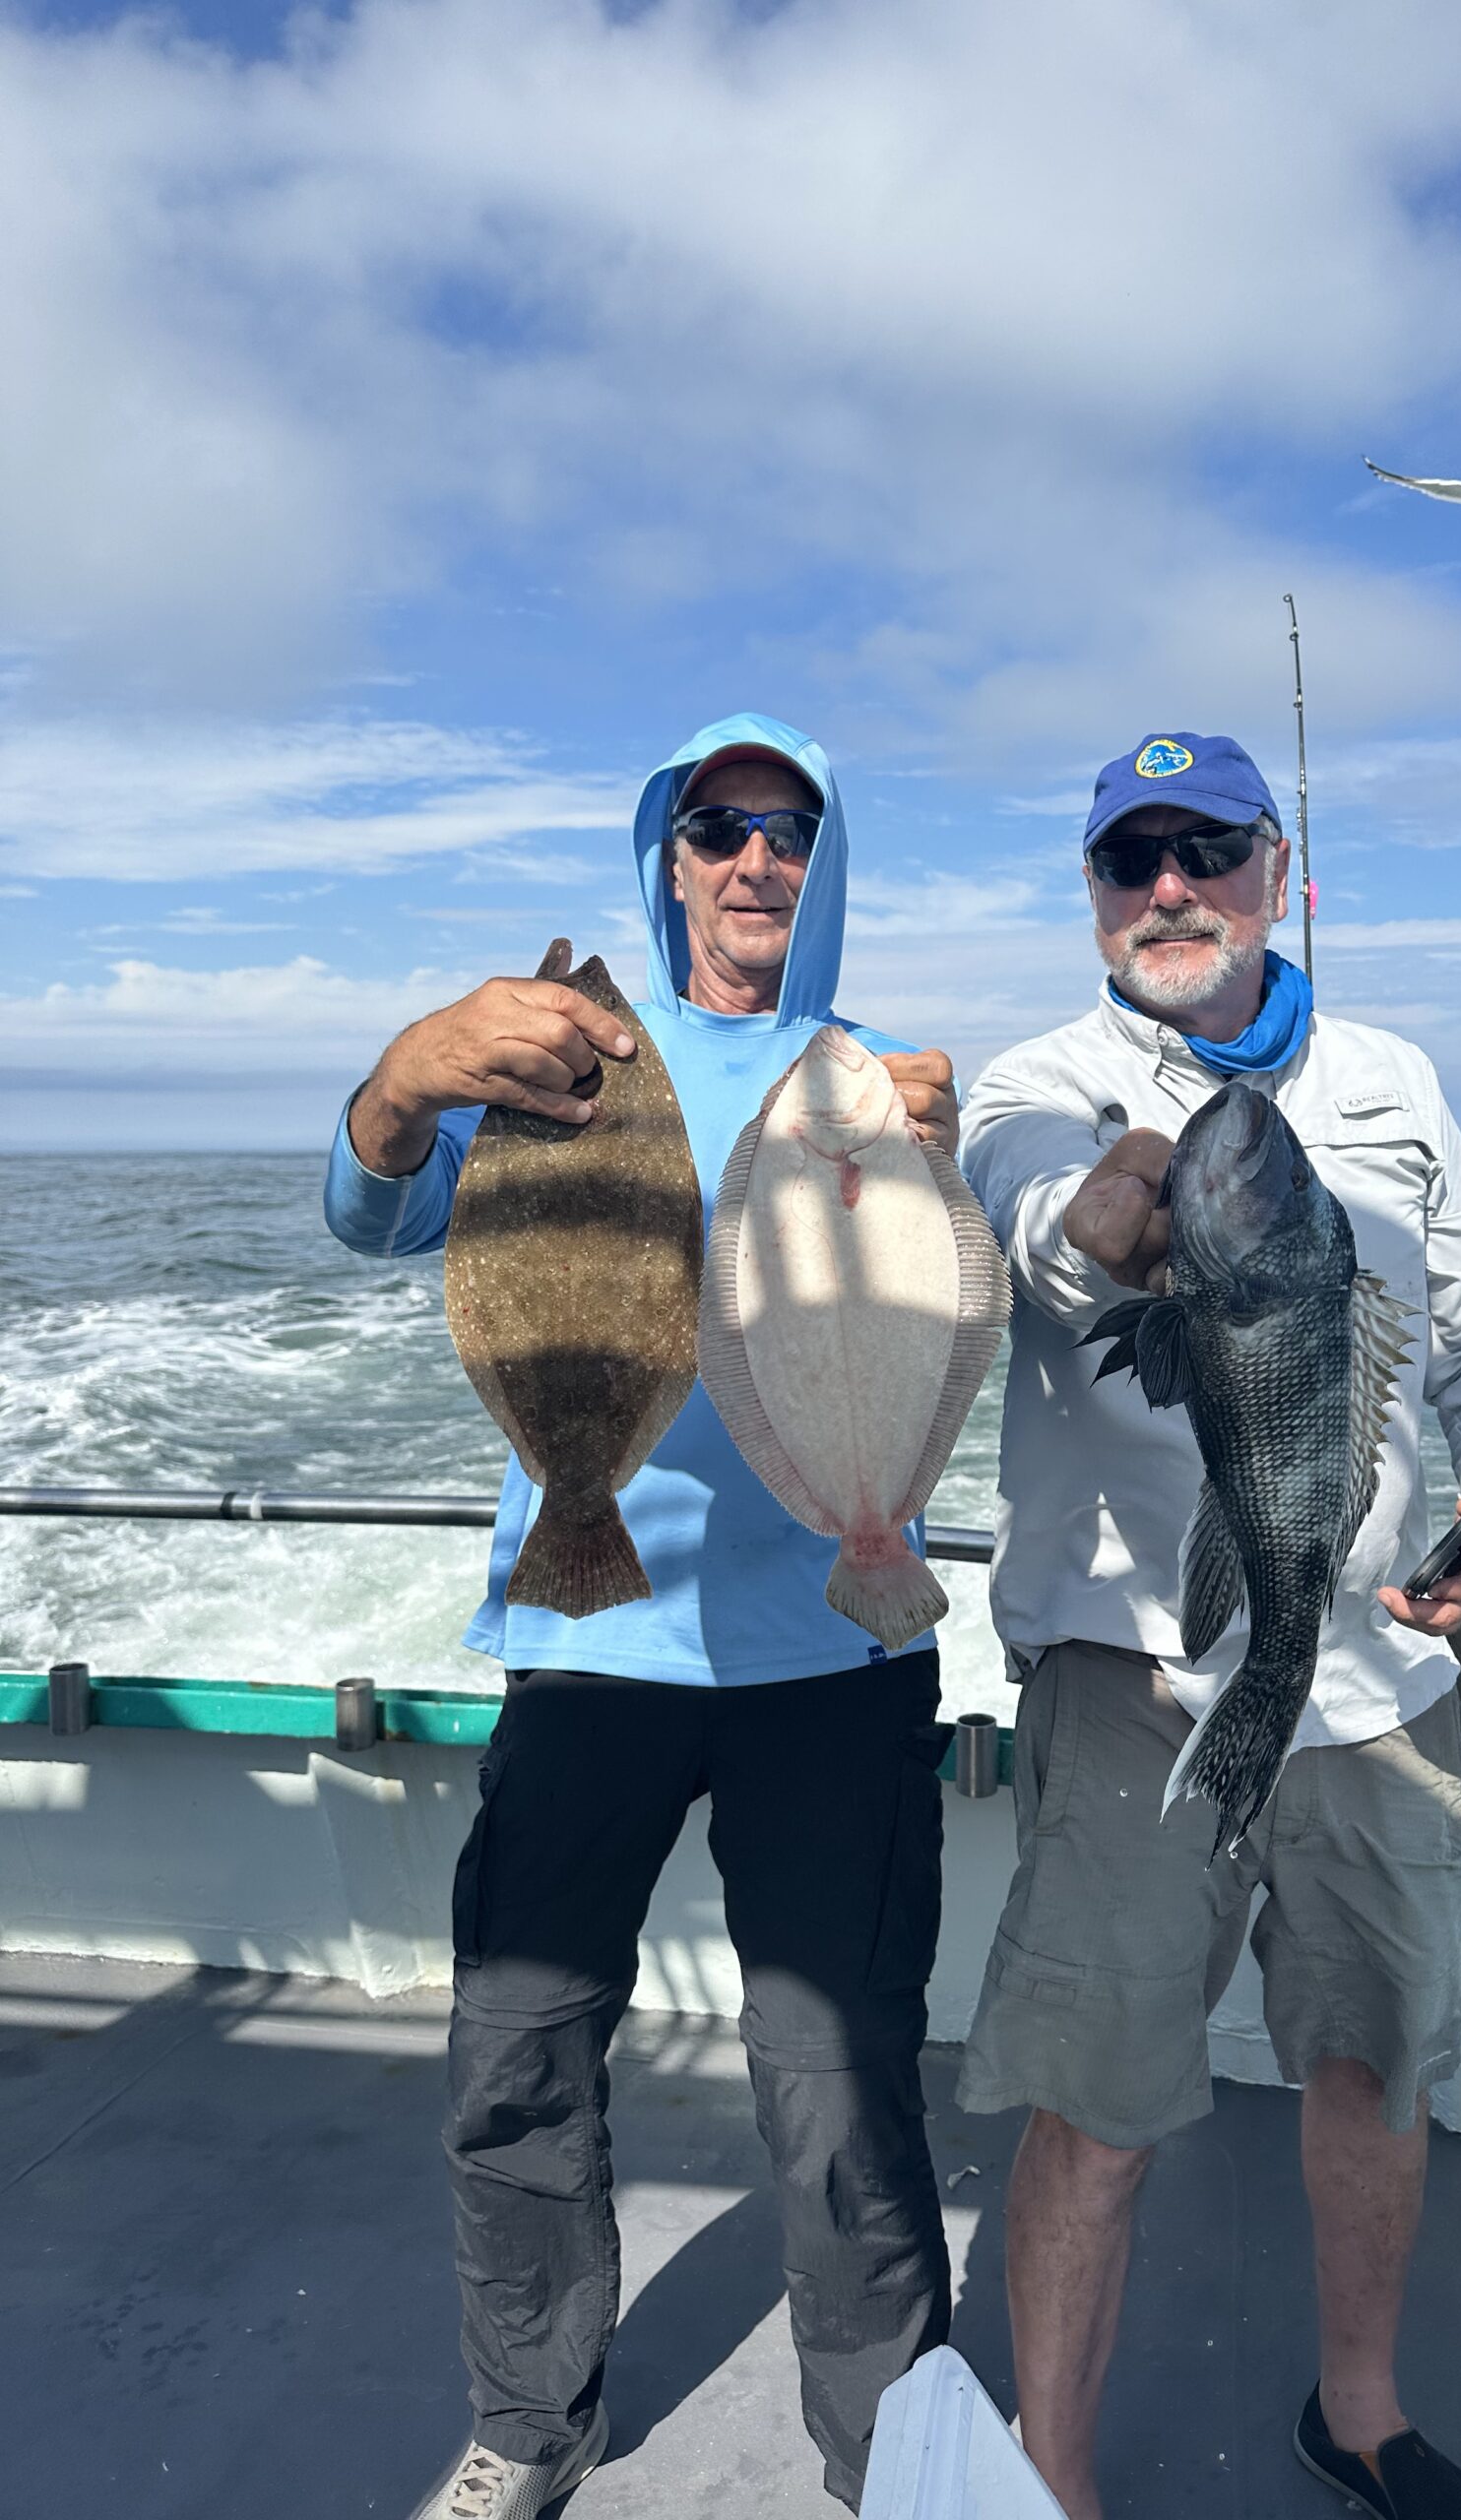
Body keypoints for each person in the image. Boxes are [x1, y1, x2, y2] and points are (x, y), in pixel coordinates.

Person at [324, 715, 961, 2520]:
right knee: (518, 2057)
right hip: (587, 1642)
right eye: (720, 826)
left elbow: (948, 1307)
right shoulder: (559, 1060)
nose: (758, 858)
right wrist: (407, 1075)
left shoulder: (876, 1078)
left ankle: (890, 2455)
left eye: (789, 832)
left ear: (820, 870)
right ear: (667, 857)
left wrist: (947, 1146)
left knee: (841, 2090)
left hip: (835, 1649)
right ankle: (528, 2425)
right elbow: (375, 1216)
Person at [954, 732, 1461, 2520]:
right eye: (1128, 856)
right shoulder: (1041, 1078)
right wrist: (1108, 1221)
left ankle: (1359, 2413)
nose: (1168, 885)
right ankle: (1049, 2480)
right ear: (1092, 893)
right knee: (1100, 2089)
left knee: (1369, 2056)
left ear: (1276, 872)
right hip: (1137, 1671)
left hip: (1377, 1667)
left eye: (1206, 846)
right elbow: (1043, 1227)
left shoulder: (1396, 1080)